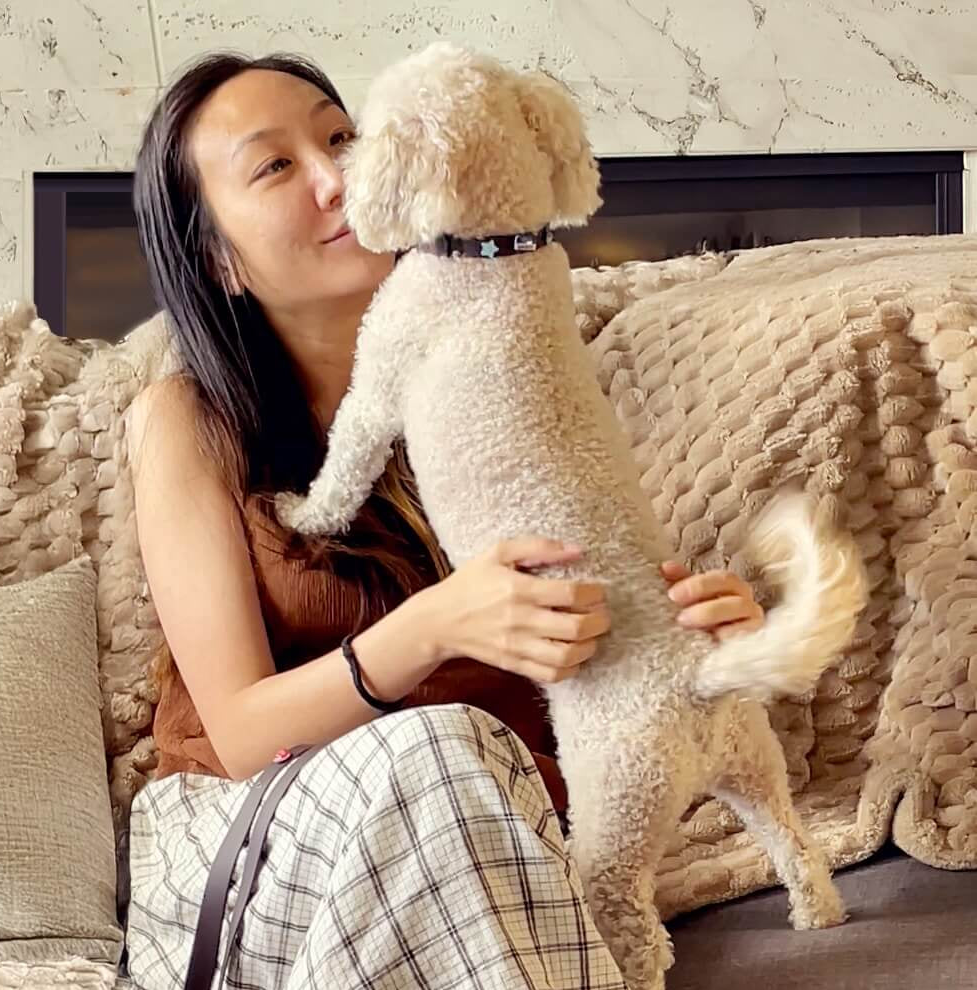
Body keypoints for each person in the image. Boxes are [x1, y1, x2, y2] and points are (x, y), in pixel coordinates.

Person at [124, 51, 766, 990]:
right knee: (443, 745)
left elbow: (588, 636)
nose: (335, 175)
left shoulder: (503, 367)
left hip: (488, 832)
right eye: (274, 165)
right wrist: (436, 626)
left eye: (341, 137)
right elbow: (241, 736)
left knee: (463, 760)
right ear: (216, 255)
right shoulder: (188, 421)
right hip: (253, 842)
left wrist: (692, 639)